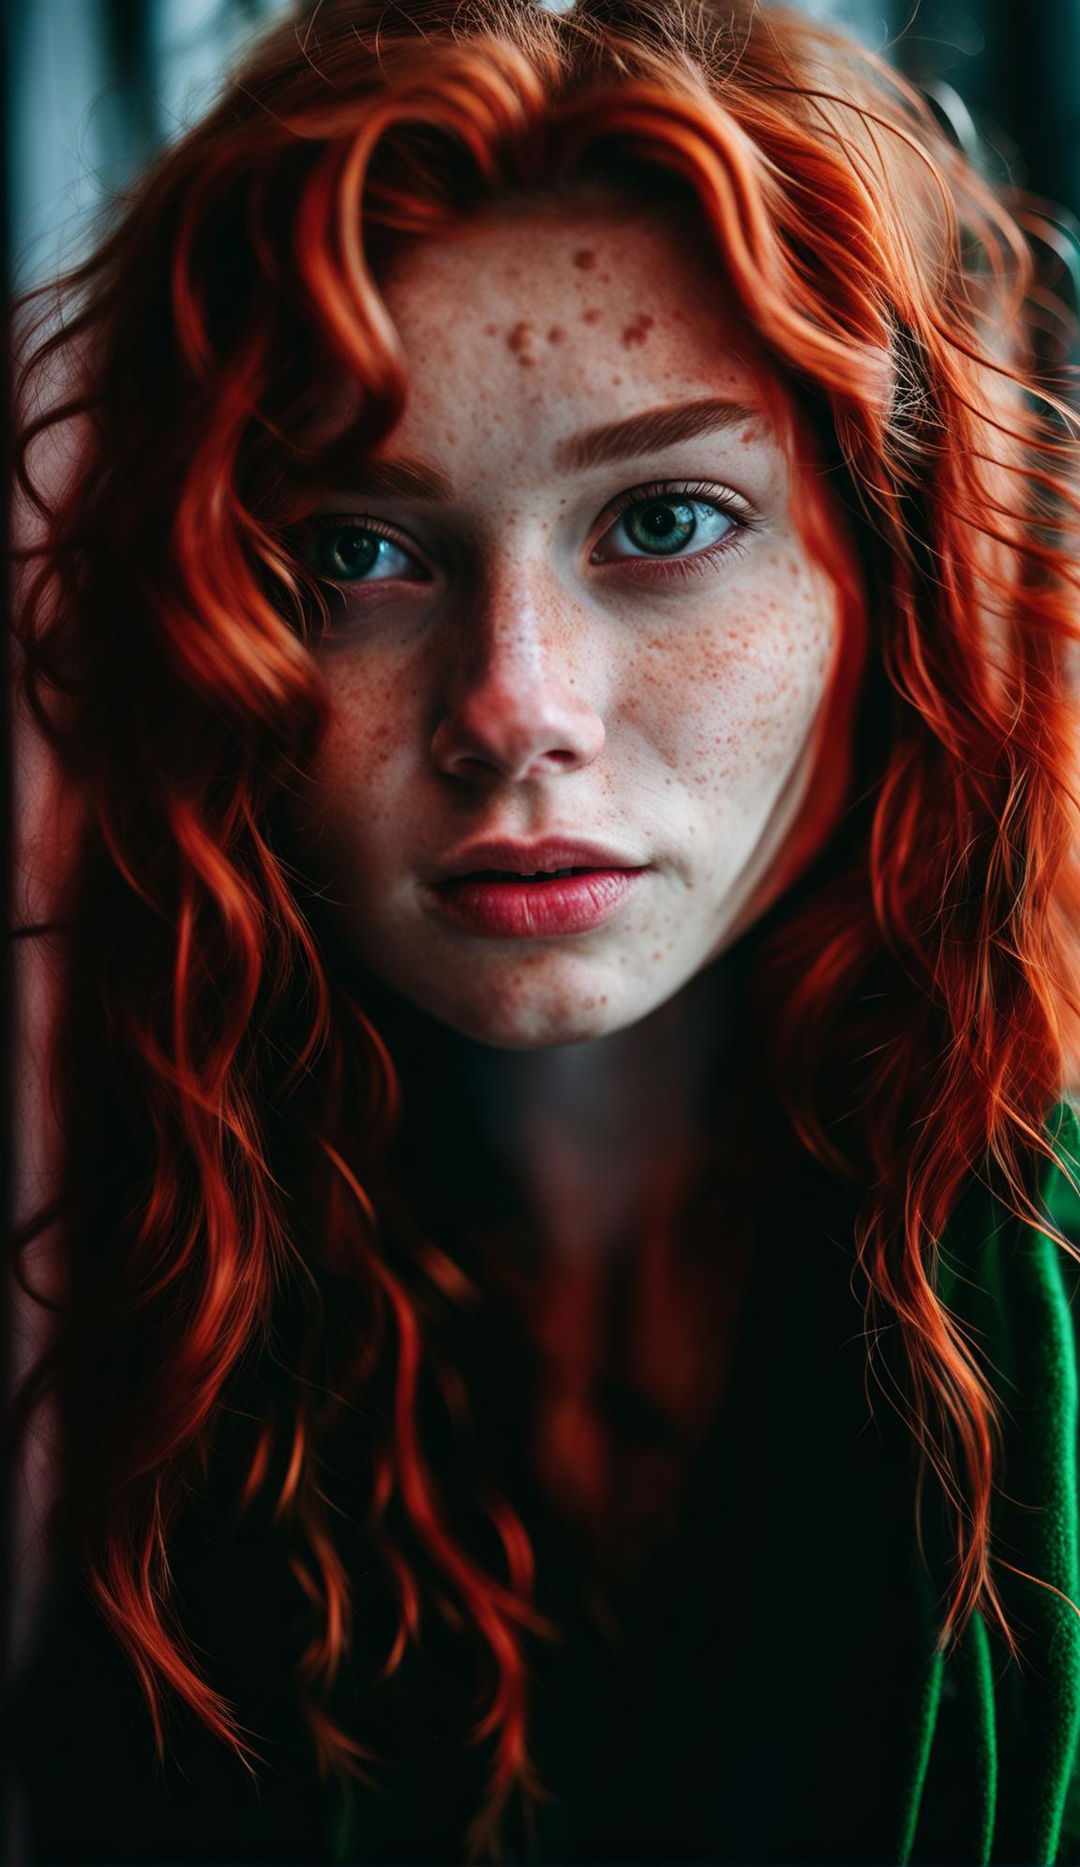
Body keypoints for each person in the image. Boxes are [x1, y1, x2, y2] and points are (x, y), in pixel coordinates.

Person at [8, 0, 1080, 1861]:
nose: (512, 706)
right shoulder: (184, 1250)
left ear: (889, 575)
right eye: (358, 551)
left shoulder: (1043, 1282)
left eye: (666, 517)